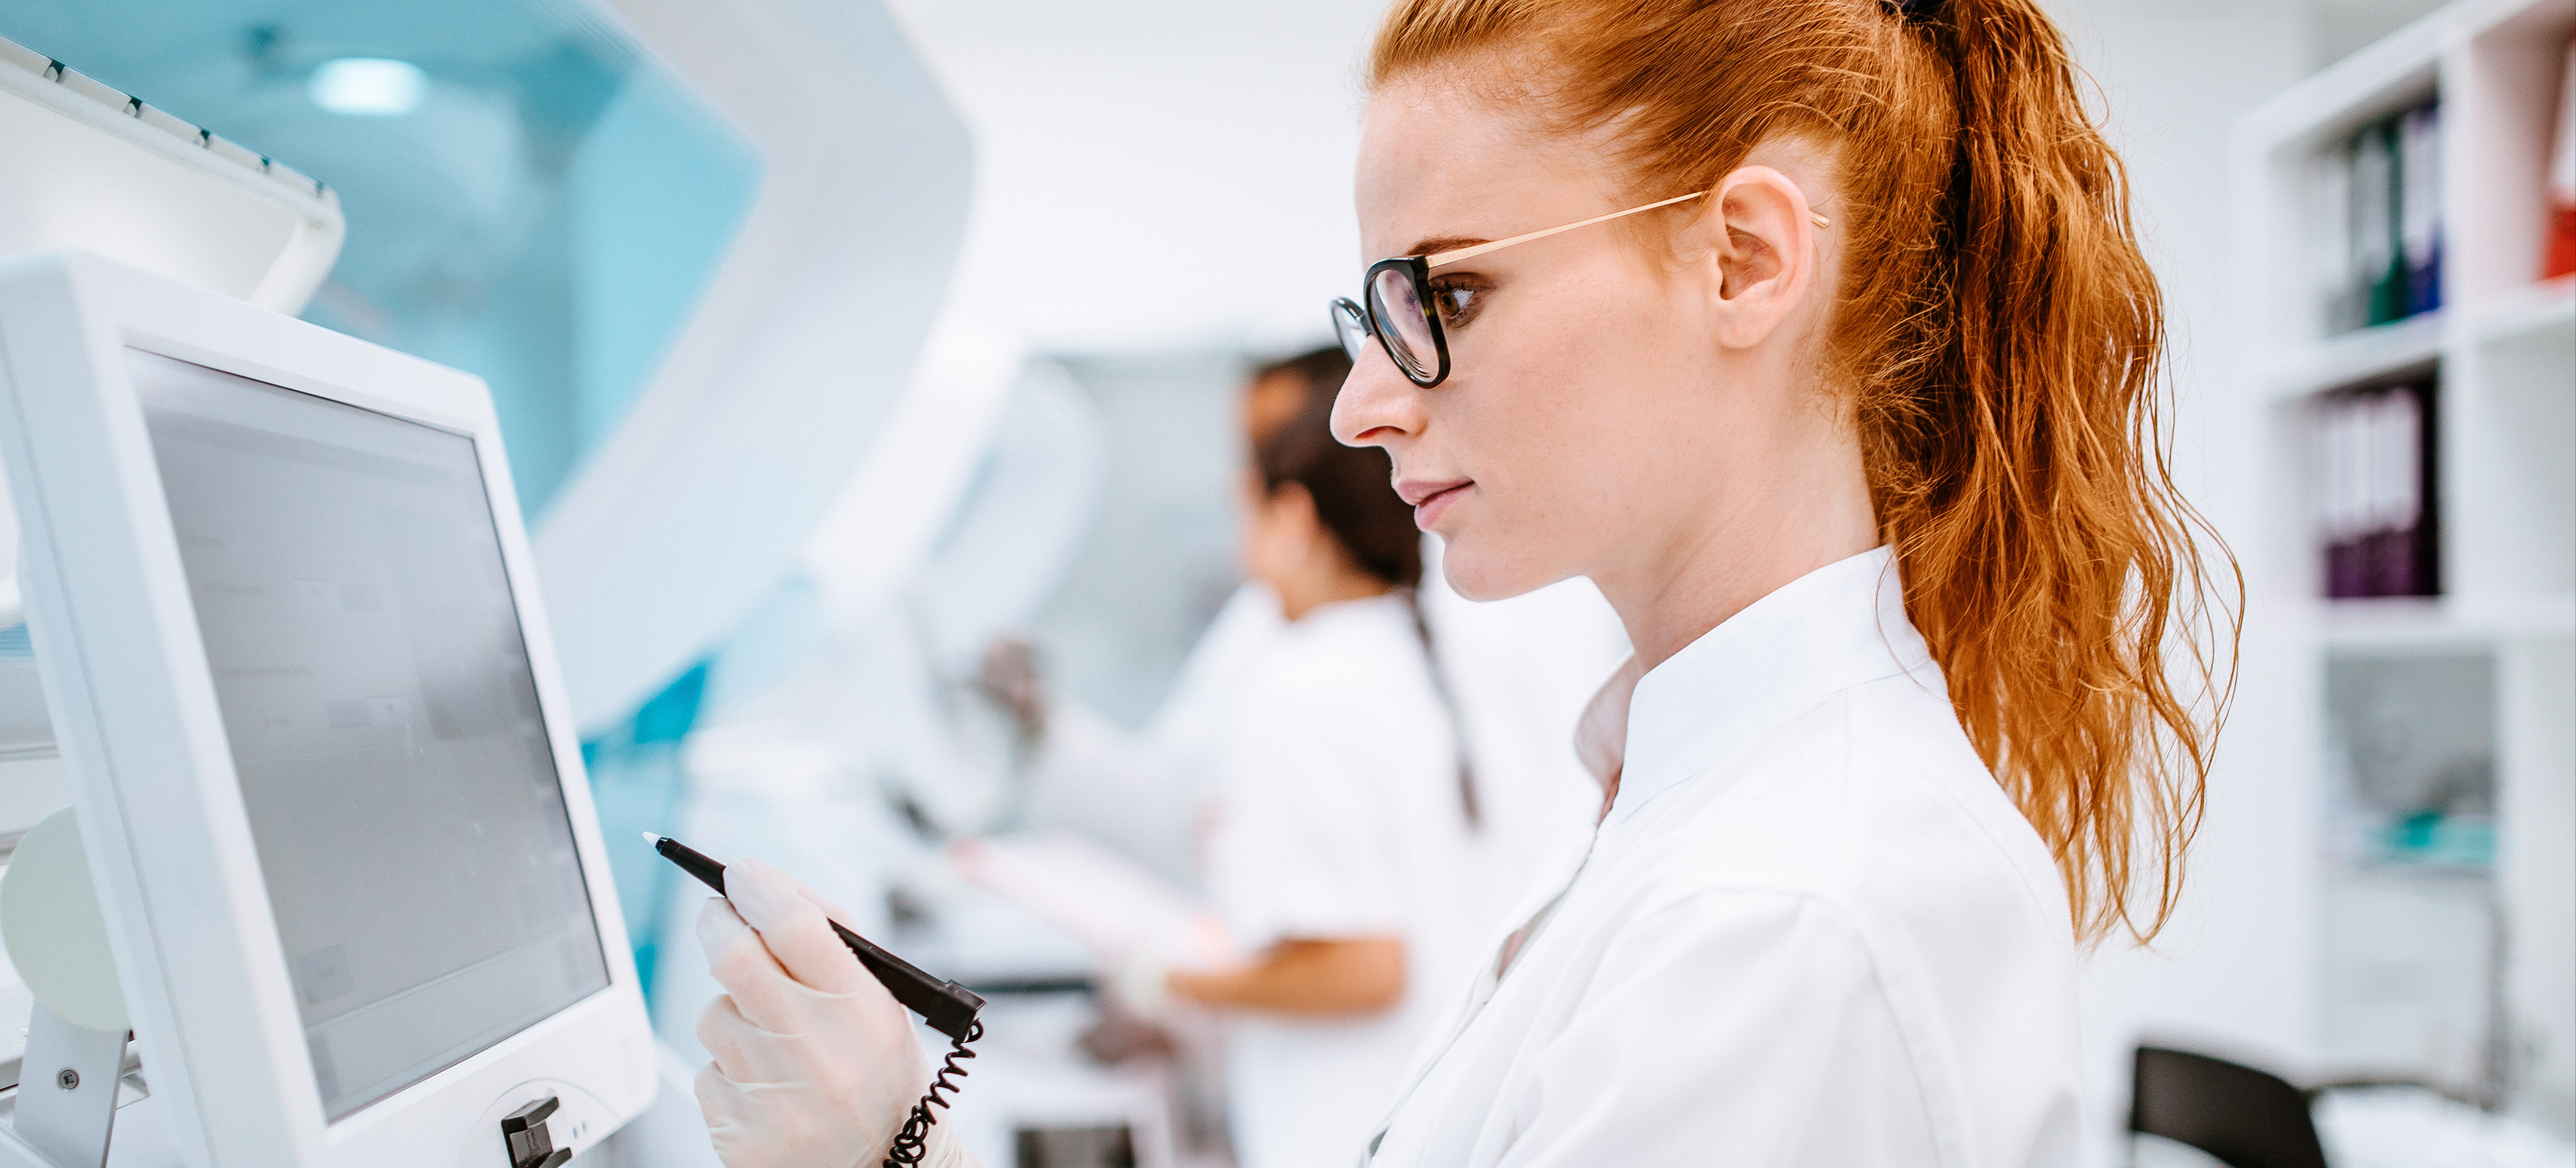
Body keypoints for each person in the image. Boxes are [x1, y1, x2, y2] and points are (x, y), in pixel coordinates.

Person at [686, 0, 2235, 1163]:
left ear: (1746, 262)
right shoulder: (1693, 804)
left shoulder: (1783, 917)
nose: (1361, 406)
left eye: (1447, 293)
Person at [979, 347, 1498, 1168]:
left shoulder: (1300, 682)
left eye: (1244, 506)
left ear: (1292, 520)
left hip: (1344, 1133)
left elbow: (1364, 964)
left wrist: (1173, 981)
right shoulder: (1405, 650)